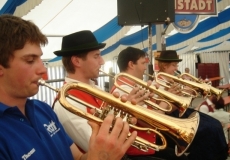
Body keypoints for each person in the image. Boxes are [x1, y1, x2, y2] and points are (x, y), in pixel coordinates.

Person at [0, 14, 137, 160]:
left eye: (40, 58)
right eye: (30, 60)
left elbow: (78, 157)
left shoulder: (43, 109)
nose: (43, 70)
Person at [52, 31, 148, 154]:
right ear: (77, 61)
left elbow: (111, 118)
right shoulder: (67, 102)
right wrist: (125, 111)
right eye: (96, 56)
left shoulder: (95, 89)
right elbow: (99, 148)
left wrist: (126, 109)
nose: (102, 61)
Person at [111, 47, 188, 160]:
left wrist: (159, 98)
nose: (145, 68)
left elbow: (156, 111)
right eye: (143, 63)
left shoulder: (133, 85)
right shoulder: (123, 88)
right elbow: (152, 122)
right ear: (131, 64)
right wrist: (165, 97)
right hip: (137, 150)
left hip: (147, 143)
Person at [155, 50, 228, 160]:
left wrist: (196, 90)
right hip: (173, 117)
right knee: (211, 130)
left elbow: (184, 102)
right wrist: (188, 94)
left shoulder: (172, 79)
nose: (176, 68)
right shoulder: (158, 83)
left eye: (176, 65)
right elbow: (167, 109)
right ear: (164, 66)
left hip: (181, 112)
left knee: (215, 125)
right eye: (173, 65)